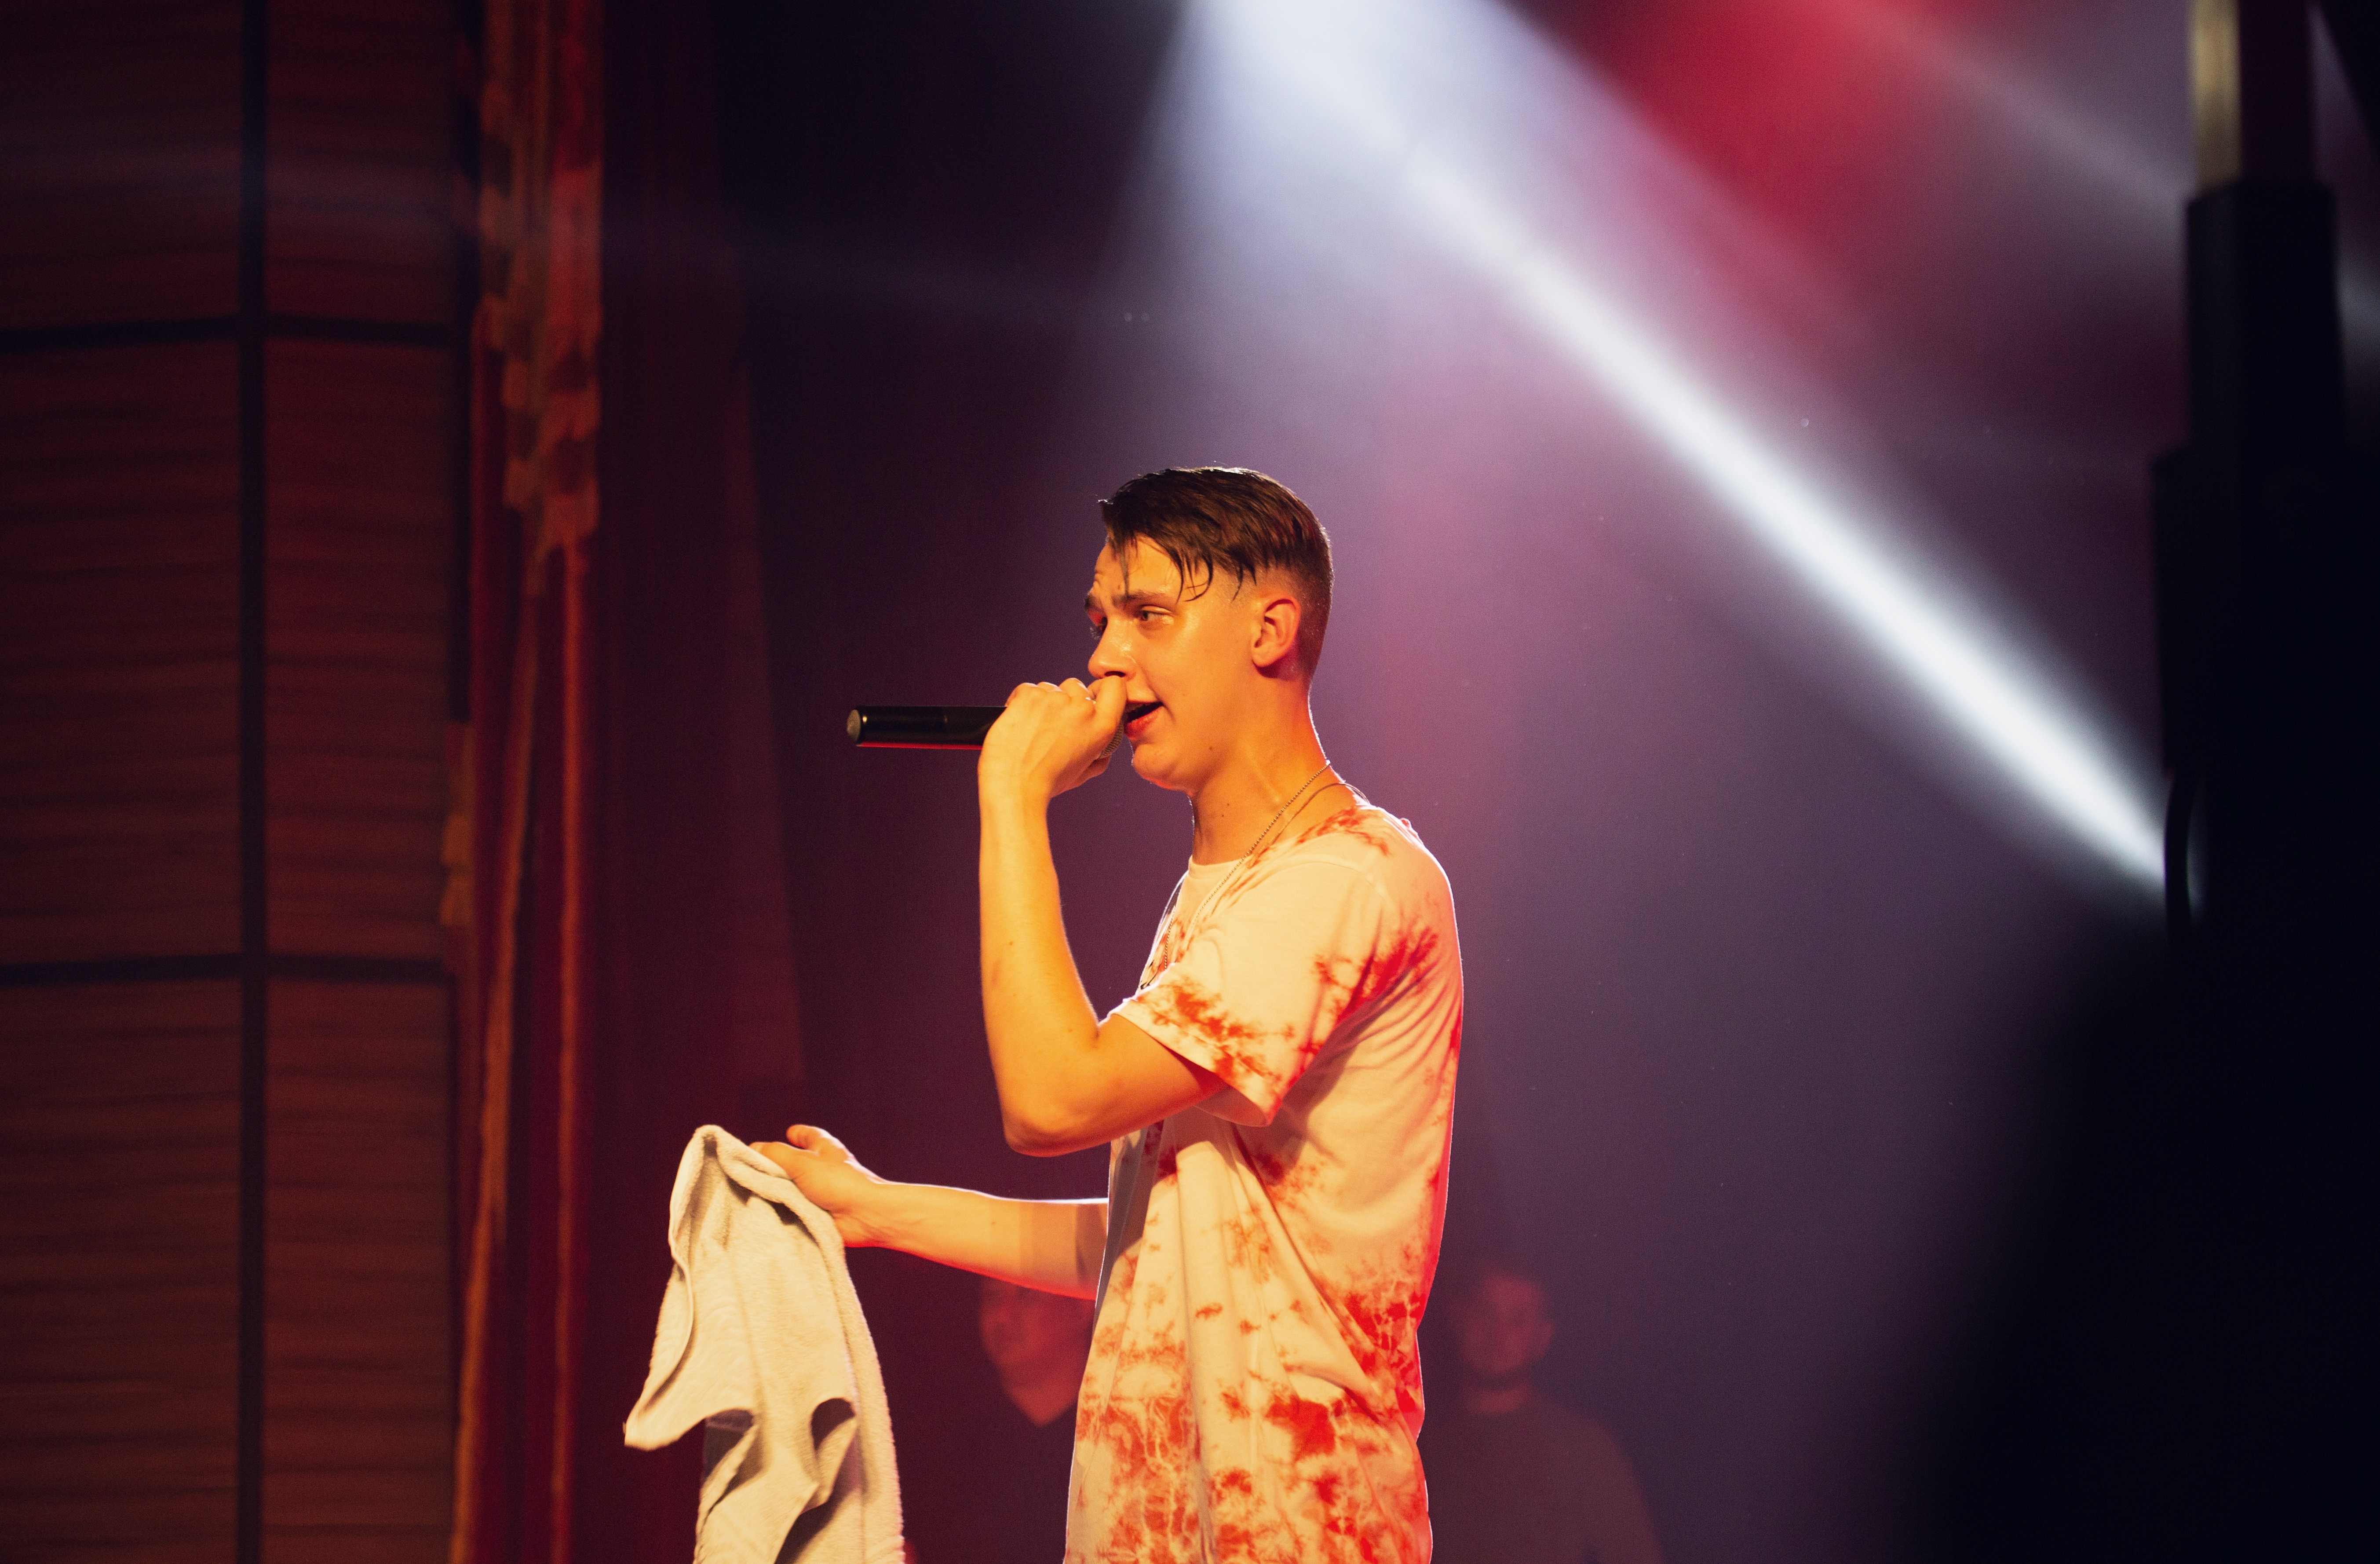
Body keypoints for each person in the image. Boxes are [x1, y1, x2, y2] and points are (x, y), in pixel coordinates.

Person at [759, 467, 1463, 1562]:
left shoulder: (1349, 879)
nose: (1104, 659)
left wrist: (1011, 798)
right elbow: (1152, 1239)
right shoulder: (1219, 894)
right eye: (1100, 622)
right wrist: (876, 1208)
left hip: (1294, 1527)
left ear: (1270, 629)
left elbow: (1052, 1100)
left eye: (1148, 614)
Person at [1419, 1266, 1665, 1564]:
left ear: (1543, 1337)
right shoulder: (1417, 1443)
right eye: (1485, 1312)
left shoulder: (1582, 1449)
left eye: (1518, 1319)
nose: (1498, 1332)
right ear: (1458, 1318)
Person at [902, 1279, 1095, 1564]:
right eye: (992, 1296)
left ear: (1082, 1308)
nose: (1003, 1316)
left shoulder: (1127, 1444)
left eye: (1026, 1295)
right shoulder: (939, 1447)